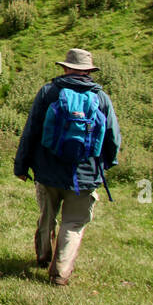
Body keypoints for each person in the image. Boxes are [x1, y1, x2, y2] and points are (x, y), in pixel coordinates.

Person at [13, 48, 120, 286]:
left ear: (65, 68)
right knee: (73, 224)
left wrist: (22, 166)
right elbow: (112, 137)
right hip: (85, 174)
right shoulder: (101, 98)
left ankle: (43, 256)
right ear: (89, 71)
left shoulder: (49, 93)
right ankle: (59, 274)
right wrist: (107, 164)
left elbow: (30, 132)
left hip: (48, 171)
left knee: (46, 216)